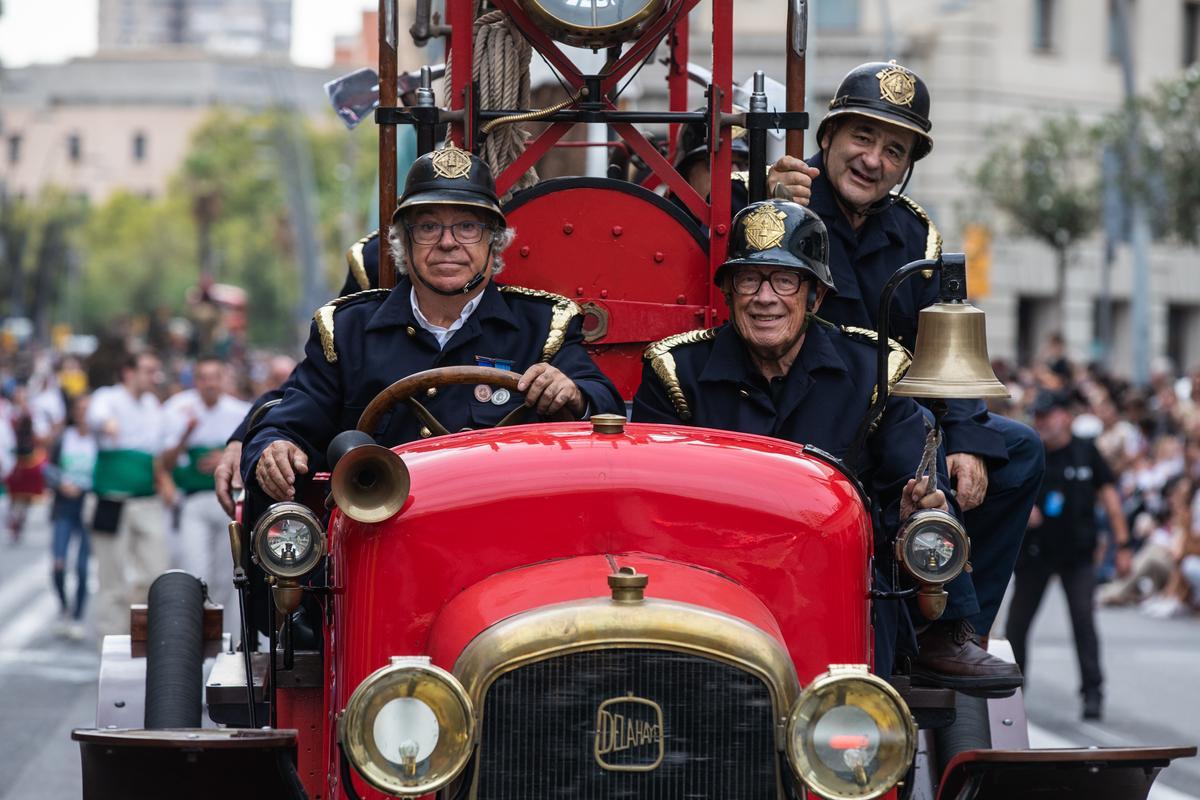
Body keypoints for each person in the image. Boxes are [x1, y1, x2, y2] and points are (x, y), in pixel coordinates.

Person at [766, 60, 1044, 695]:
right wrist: (765, 199)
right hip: (810, 414)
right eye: (861, 139)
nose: (873, 160)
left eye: (894, 149)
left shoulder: (916, 232)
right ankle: (948, 625)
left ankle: (951, 630)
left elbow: (943, 354)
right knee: (920, 435)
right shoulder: (782, 201)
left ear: (909, 163)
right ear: (827, 138)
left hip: (894, 416)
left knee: (1019, 451)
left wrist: (972, 434)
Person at [632, 199, 961, 683]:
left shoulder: (875, 371)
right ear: (729, 291)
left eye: (785, 281)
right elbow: (649, 508)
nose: (765, 297)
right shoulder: (676, 371)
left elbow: (914, 497)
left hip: (838, 606)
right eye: (750, 279)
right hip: (704, 602)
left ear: (816, 296)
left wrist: (916, 512)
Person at [242, 144, 624, 503]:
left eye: (467, 227)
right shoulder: (346, 330)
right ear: (403, 245)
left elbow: (608, 412)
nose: (447, 243)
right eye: (428, 227)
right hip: (381, 539)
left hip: (510, 537)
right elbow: (287, 423)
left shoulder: (544, 327)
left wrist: (572, 393)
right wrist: (276, 447)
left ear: (494, 242)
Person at [1004, 389, 1130, 721]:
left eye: (1048, 415)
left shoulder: (1086, 453)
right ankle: (1013, 694)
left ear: (1066, 416)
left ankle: (1093, 693)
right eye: (1038, 416)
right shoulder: (1030, 451)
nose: (1042, 422)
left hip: (1077, 554)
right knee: (1018, 626)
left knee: (1083, 624)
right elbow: (1006, 492)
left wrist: (1123, 544)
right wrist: (1022, 511)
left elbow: (1110, 499)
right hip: (1036, 553)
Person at [161, 357, 250, 635]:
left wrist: (227, 458)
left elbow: (250, 457)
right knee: (196, 571)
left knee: (229, 574)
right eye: (203, 377)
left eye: (215, 377)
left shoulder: (240, 412)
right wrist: (187, 433)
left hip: (228, 501)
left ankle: (230, 640)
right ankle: (194, 636)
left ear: (223, 378)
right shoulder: (177, 409)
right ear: (195, 380)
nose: (210, 383)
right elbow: (164, 461)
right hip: (193, 501)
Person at [87, 351, 170, 637]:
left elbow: (157, 452)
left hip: (145, 500)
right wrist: (107, 424)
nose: (154, 377)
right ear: (128, 373)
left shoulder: (153, 406)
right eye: (148, 370)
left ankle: (137, 635)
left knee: (155, 572)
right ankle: (111, 644)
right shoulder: (107, 398)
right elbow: (97, 417)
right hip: (110, 500)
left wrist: (165, 482)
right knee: (111, 581)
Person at [44, 392, 98, 640]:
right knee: (58, 562)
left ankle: (77, 616)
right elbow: (48, 467)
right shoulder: (64, 438)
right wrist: (61, 482)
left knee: (83, 567)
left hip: (88, 507)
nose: (84, 414)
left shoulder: (99, 440)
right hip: (64, 505)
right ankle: (63, 606)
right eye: (81, 409)